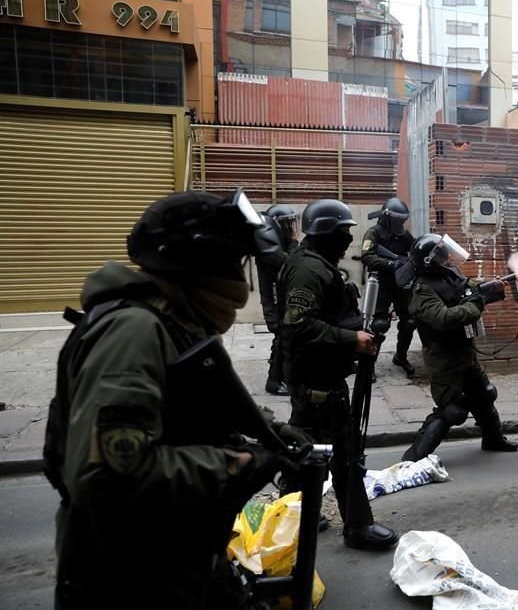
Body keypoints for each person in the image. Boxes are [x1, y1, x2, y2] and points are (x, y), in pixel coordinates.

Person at [44, 190, 293, 609]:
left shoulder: (176, 320)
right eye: (233, 260)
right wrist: (237, 464)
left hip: (174, 554)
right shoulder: (134, 331)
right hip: (128, 576)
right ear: (200, 263)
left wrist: (274, 431)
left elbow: (197, 405)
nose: (239, 276)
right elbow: (109, 476)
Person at [277, 198, 398, 551]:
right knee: (346, 454)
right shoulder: (308, 270)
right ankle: (358, 528)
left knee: (306, 449)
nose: (348, 239)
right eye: (343, 232)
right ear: (326, 232)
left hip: (313, 377)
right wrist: (353, 338)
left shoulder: (313, 265)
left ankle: (295, 517)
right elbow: (298, 325)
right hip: (317, 381)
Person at [401, 233, 518, 462]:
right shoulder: (422, 290)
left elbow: (469, 289)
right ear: (429, 260)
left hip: (464, 352)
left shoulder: (448, 274)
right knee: (452, 410)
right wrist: (477, 303)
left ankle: (493, 439)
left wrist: (490, 289)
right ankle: (412, 460)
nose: (446, 260)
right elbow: (443, 318)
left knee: (485, 394)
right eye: (441, 256)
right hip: (443, 358)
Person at [360, 197, 417, 378]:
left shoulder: (404, 235)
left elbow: (415, 250)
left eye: (402, 219)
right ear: (387, 217)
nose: (400, 223)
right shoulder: (373, 233)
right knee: (379, 324)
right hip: (380, 283)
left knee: (409, 322)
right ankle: (369, 364)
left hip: (401, 283)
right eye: (397, 219)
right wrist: (391, 264)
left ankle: (401, 357)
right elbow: (367, 256)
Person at [257, 204, 299, 395]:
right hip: (275, 304)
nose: (292, 227)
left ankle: (283, 376)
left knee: (285, 340)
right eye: (288, 223)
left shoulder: (274, 245)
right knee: (281, 340)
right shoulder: (271, 250)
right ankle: (273, 381)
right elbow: (291, 262)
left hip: (279, 302)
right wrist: (293, 241)